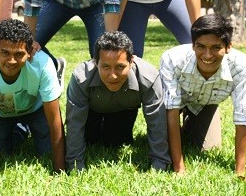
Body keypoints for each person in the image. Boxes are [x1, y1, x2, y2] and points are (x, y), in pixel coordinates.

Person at [159, 13, 246, 178]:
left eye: (216, 48)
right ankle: (173, 132)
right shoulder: (172, 59)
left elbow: (243, 115)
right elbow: (171, 109)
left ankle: (189, 126)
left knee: (209, 147)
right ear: (193, 45)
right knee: (162, 141)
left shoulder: (241, 66)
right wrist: (179, 168)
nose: (208, 55)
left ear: (228, 47)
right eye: (201, 46)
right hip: (173, 105)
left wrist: (240, 172)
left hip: (206, 104)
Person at [0, 19, 65, 176]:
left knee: (47, 151)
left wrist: (60, 170)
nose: (12, 61)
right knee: (1, 153)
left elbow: (54, 120)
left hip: (36, 108)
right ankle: (20, 129)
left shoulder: (42, 63)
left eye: (19, 54)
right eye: (5, 53)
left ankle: (56, 77)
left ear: (30, 52)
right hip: (0, 114)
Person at [66, 31, 171, 171]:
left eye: (120, 67)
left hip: (123, 112)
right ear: (95, 62)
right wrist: (75, 166)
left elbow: (157, 122)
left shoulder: (149, 78)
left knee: (115, 142)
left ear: (131, 61)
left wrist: (159, 164)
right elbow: (74, 124)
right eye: (105, 67)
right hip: (91, 113)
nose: (113, 76)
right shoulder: (81, 78)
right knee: (90, 140)